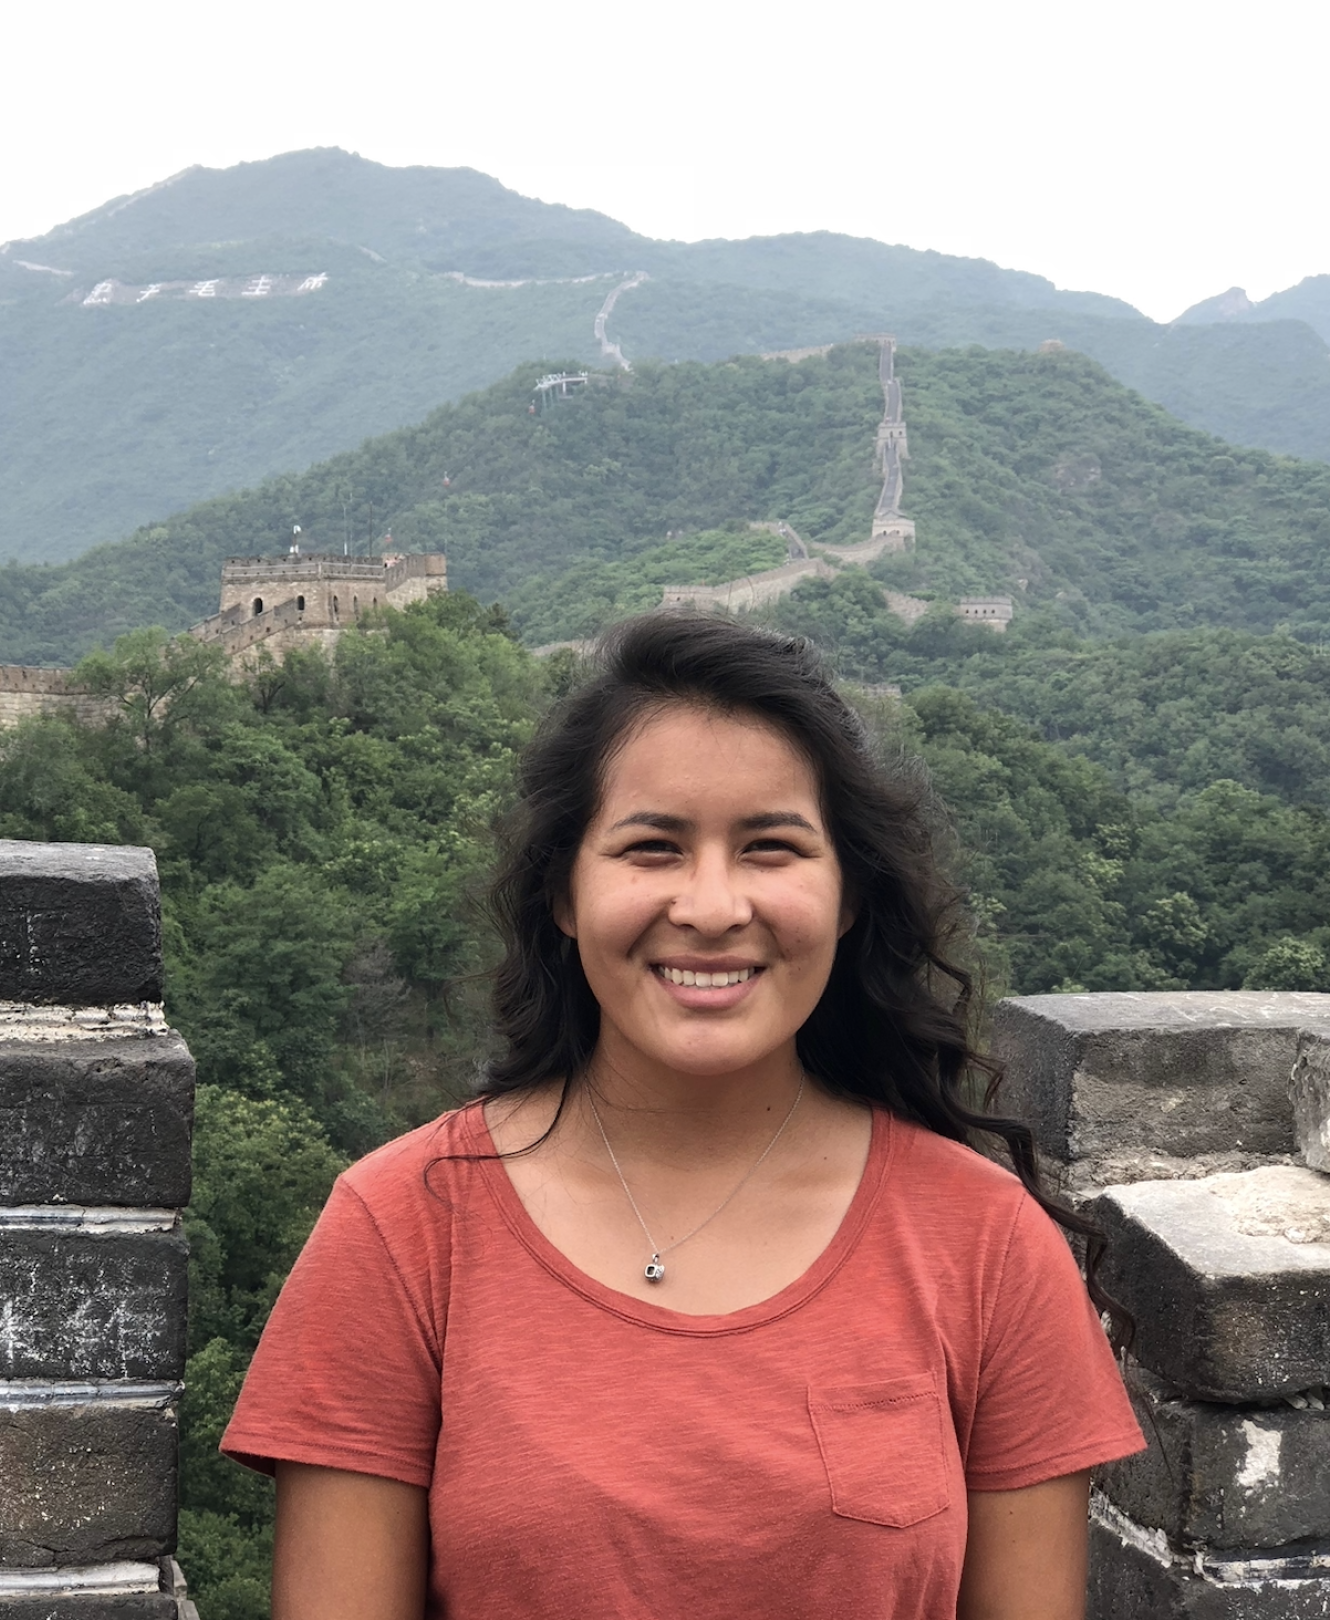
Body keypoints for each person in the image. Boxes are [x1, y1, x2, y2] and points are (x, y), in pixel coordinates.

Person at [222, 612, 1144, 1620]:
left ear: (846, 898)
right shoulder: (405, 1229)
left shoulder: (985, 1246)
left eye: (771, 848)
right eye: (653, 847)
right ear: (566, 893)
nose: (710, 906)